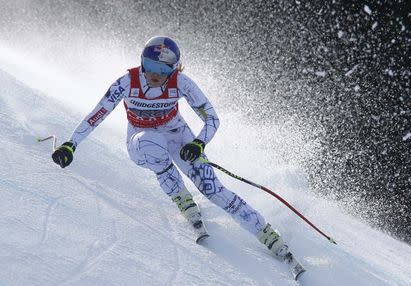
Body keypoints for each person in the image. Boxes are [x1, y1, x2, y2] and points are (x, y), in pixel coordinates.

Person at [51, 36, 303, 277]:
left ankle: (268, 234)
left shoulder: (182, 83)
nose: (154, 74)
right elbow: (98, 114)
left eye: (163, 70)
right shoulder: (126, 83)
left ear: (174, 70)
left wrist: (198, 143)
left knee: (212, 189)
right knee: (153, 144)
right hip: (140, 139)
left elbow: (213, 118)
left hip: (177, 134)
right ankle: (182, 199)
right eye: (149, 66)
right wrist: (71, 144)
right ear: (142, 61)